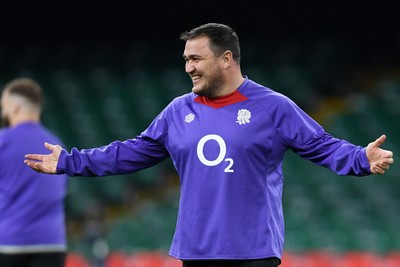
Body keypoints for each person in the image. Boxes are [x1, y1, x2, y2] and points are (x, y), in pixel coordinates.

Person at [24, 23, 394, 267]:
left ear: (226, 59)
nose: (188, 67)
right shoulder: (178, 111)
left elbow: (322, 145)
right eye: (186, 59)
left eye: (196, 58)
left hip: (253, 252)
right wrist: (69, 161)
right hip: (196, 251)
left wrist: (361, 158)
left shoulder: (272, 106)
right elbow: (131, 152)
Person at [0, 78, 69, 267]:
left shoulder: (2, 142)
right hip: (52, 244)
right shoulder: (57, 146)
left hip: (10, 244)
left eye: (3, 107)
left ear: (14, 108)